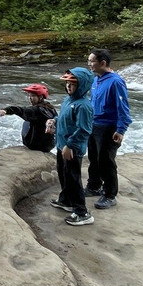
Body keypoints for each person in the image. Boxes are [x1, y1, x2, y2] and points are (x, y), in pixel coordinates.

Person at [84, 49, 133, 209]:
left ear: (103, 62)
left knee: (106, 161)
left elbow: (123, 107)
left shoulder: (116, 81)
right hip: (94, 124)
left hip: (109, 127)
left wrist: (121, 129)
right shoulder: (96, 80)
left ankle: (110, 194)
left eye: (92, 61)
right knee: (94, 158)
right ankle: (93, 186)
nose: (89, 64)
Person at [49, 66, 95, 226]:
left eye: (73, 83)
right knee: (63, 174)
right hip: (62, 146)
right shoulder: (68, 100)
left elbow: (84, 129)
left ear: (82, 85)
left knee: (73, 178)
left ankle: (82, 212)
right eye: (67, 83)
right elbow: (62, 116)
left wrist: (70, 145)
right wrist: (53, 121)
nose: (69, 86)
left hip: (72, 149)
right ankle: (67, 200)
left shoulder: (84, 106)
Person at [0, 83, 57, 152]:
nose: (30, 98)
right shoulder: (50, 107)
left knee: (27, 120)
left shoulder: (36, 110)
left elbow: (21, 110)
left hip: (36, 146)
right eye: (29, 96)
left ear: (40, 97)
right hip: (49, 145)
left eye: (33, 96)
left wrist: (7, 110)